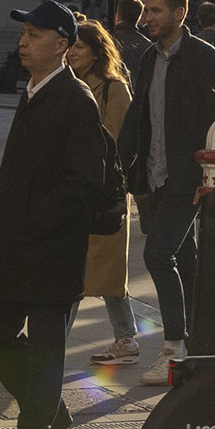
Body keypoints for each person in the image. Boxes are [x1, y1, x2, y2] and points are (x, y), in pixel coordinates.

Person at [0, 0, 118, 429]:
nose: (23, 42)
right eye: (23, 34)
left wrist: (39, 222)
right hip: (12, 243)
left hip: (50, 249)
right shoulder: (33, 89)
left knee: (44, 345)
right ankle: (48, 405)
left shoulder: (75, 100)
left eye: (34, 35)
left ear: (62, 45)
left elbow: (85, 181)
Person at [123, 0, 215, 384]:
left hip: (190, 176)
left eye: (155, 11)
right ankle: (199, 347)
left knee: (157, 255)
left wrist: (211, 173)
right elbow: (138, 116)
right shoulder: (149, 58)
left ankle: (173, 347)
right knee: (184, 258)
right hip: (155, 175)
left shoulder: (206, 57)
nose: (147, 17)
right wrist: (121, 164)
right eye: (146, 10)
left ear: (179, 13)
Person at [74, 19, 142, 366]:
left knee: (104, 273)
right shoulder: (68, 83)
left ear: (97, 52)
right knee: (79, 269)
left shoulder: (112, 88)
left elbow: (119, 142)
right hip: (74, 192)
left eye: (80, 48)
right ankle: (126, 337)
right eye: (70, 46)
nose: (72, 53)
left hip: (101, 193)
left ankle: (51, 342)